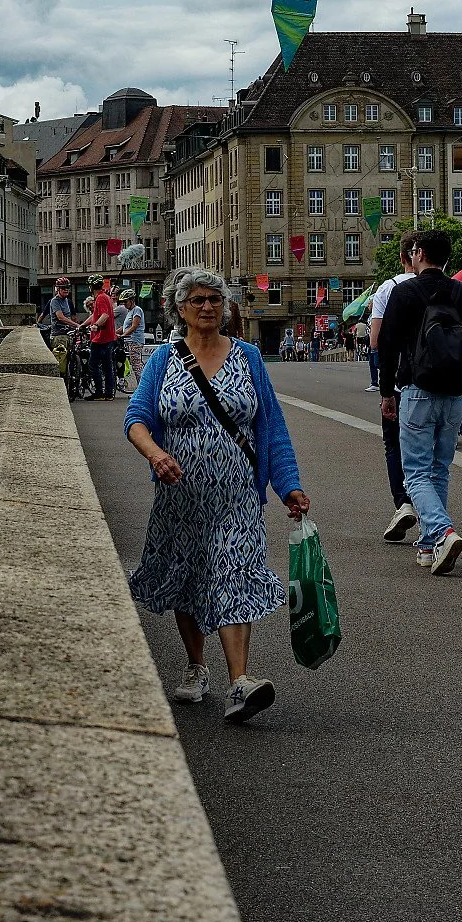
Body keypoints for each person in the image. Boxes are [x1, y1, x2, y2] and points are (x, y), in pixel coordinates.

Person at [125, 266, 310, 724]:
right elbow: (136, 418)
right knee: (187, 579)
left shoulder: (247, 357)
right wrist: (154, 455)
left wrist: (289, 485)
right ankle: (195, 666)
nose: (208, 307)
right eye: (198, 300)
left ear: (226, 307)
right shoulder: (162, 361)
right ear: (179, 309)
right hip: (179, 496)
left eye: (215, 299)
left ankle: (240, 682)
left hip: (237, 496)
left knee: (233, 574)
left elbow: (271, 427)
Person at [379, 228, 462, 575]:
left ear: (418, 253)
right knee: (439, 469)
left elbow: (388, 347)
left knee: (415, 474)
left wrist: (386, 392)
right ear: (447, 258)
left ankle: (443, 530)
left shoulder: (404, 292)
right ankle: (428, 548)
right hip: (455, 393)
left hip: (416, 389)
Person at [370, 234, 422, 543]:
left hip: (401, 379)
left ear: (403, 256)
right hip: (436, 380)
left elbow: (376, 341)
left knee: (395, 444)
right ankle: (434, 519)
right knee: (428, 451)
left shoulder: (388, 288)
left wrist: (384, 388)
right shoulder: (444, 285)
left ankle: (403, 503)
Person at [85, 278, 120, 399]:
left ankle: (99, 391)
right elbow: (96, 316)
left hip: (101, 337)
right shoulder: (106, 297)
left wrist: (96, 326)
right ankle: (109, 393)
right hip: (109, 337)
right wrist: (83, 325)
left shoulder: (100, 298)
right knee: (107, 366)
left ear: (91, 287)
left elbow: (104, 315)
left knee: (93, 365)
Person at [120, 289, 148, 378]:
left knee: (136, 364)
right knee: (134, 363)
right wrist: (114, 332)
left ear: (132, 300)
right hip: (129, 341)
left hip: (135, 340)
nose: (124, 304)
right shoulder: (129, 312)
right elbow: (125, 327)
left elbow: (134, 326)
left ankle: (142, 385)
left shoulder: (137, 310)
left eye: (125, 301)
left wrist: (123, 336)